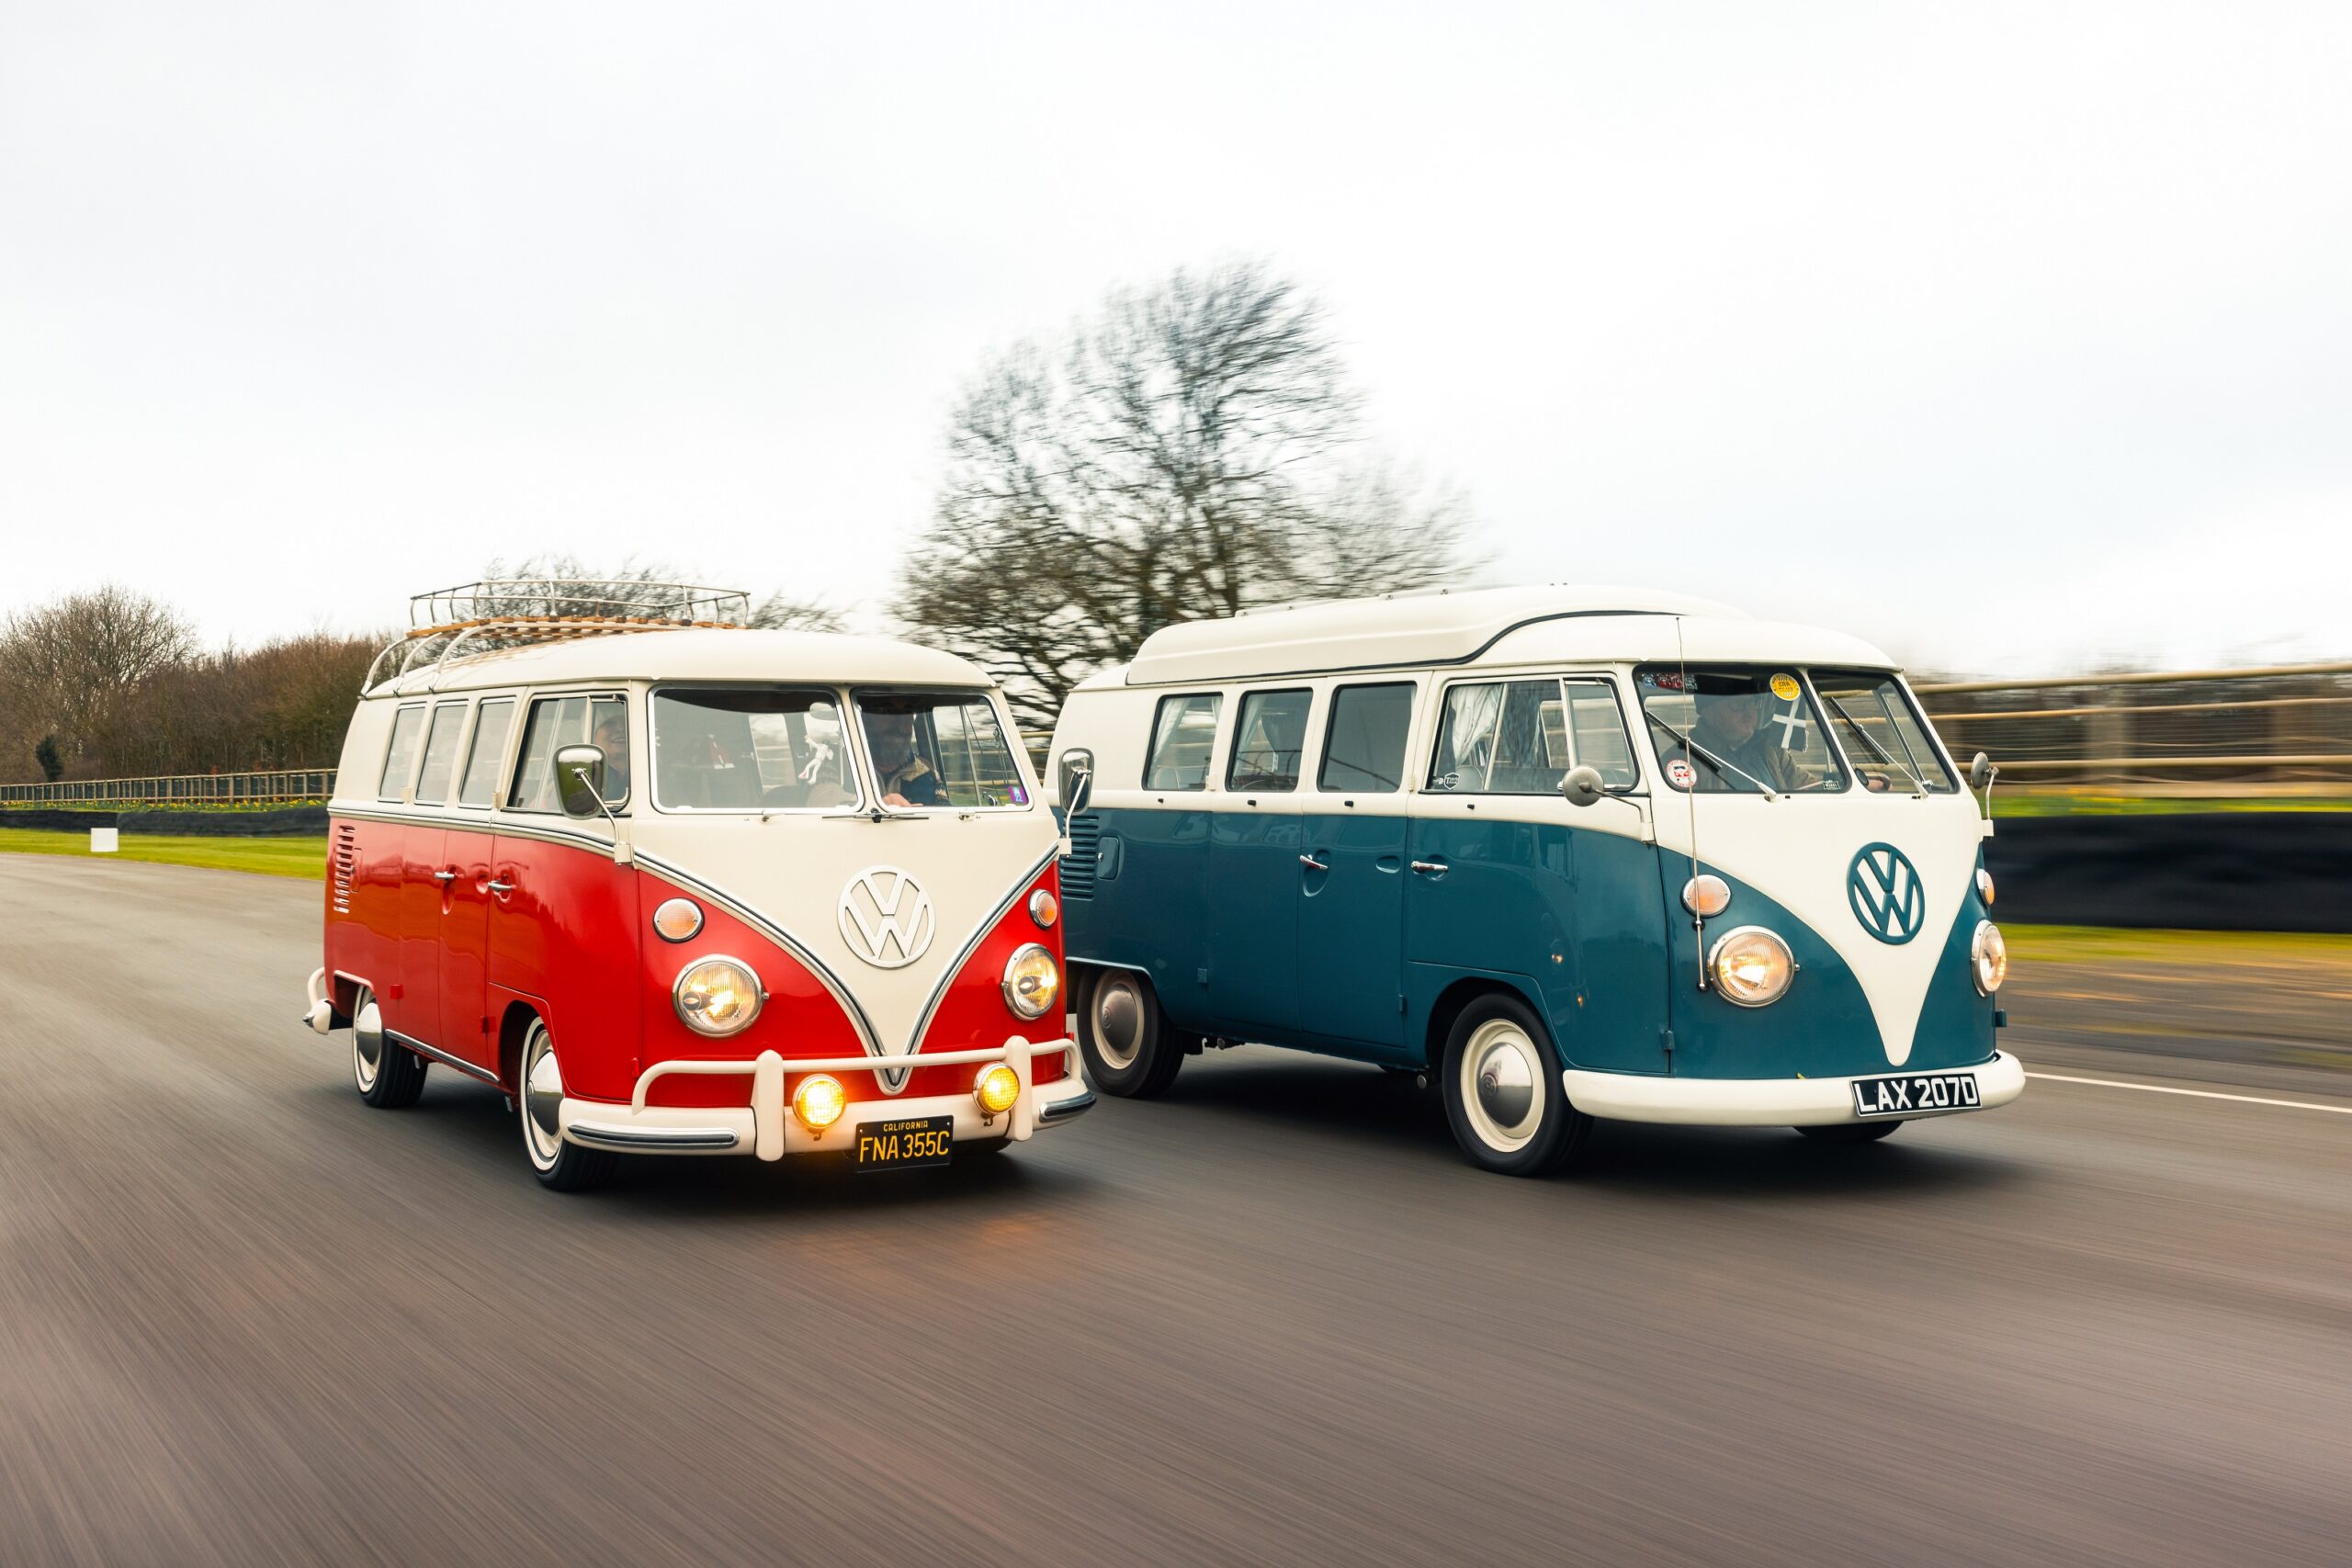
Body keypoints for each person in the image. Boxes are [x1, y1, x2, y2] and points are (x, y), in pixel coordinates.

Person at [1681, 687, 1803, 794]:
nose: (1749, 711)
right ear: (1708, 710)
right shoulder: (1686, 758)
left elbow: (1805, 784)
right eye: (1739, 703)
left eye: (1753, 702)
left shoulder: (1770, 748)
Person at [865, 710, 945, 807]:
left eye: (907, 715)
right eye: (890, 713)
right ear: (867, 721)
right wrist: (879, 807)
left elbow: (948, 816)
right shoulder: (845, 770)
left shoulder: (925, 772)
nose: (900, 725)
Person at [591, 707, 631, 803]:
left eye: (626, 722)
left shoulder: (655, 773)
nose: (621, 729)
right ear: (592, 734)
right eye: (609, 724)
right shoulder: (583, 776)